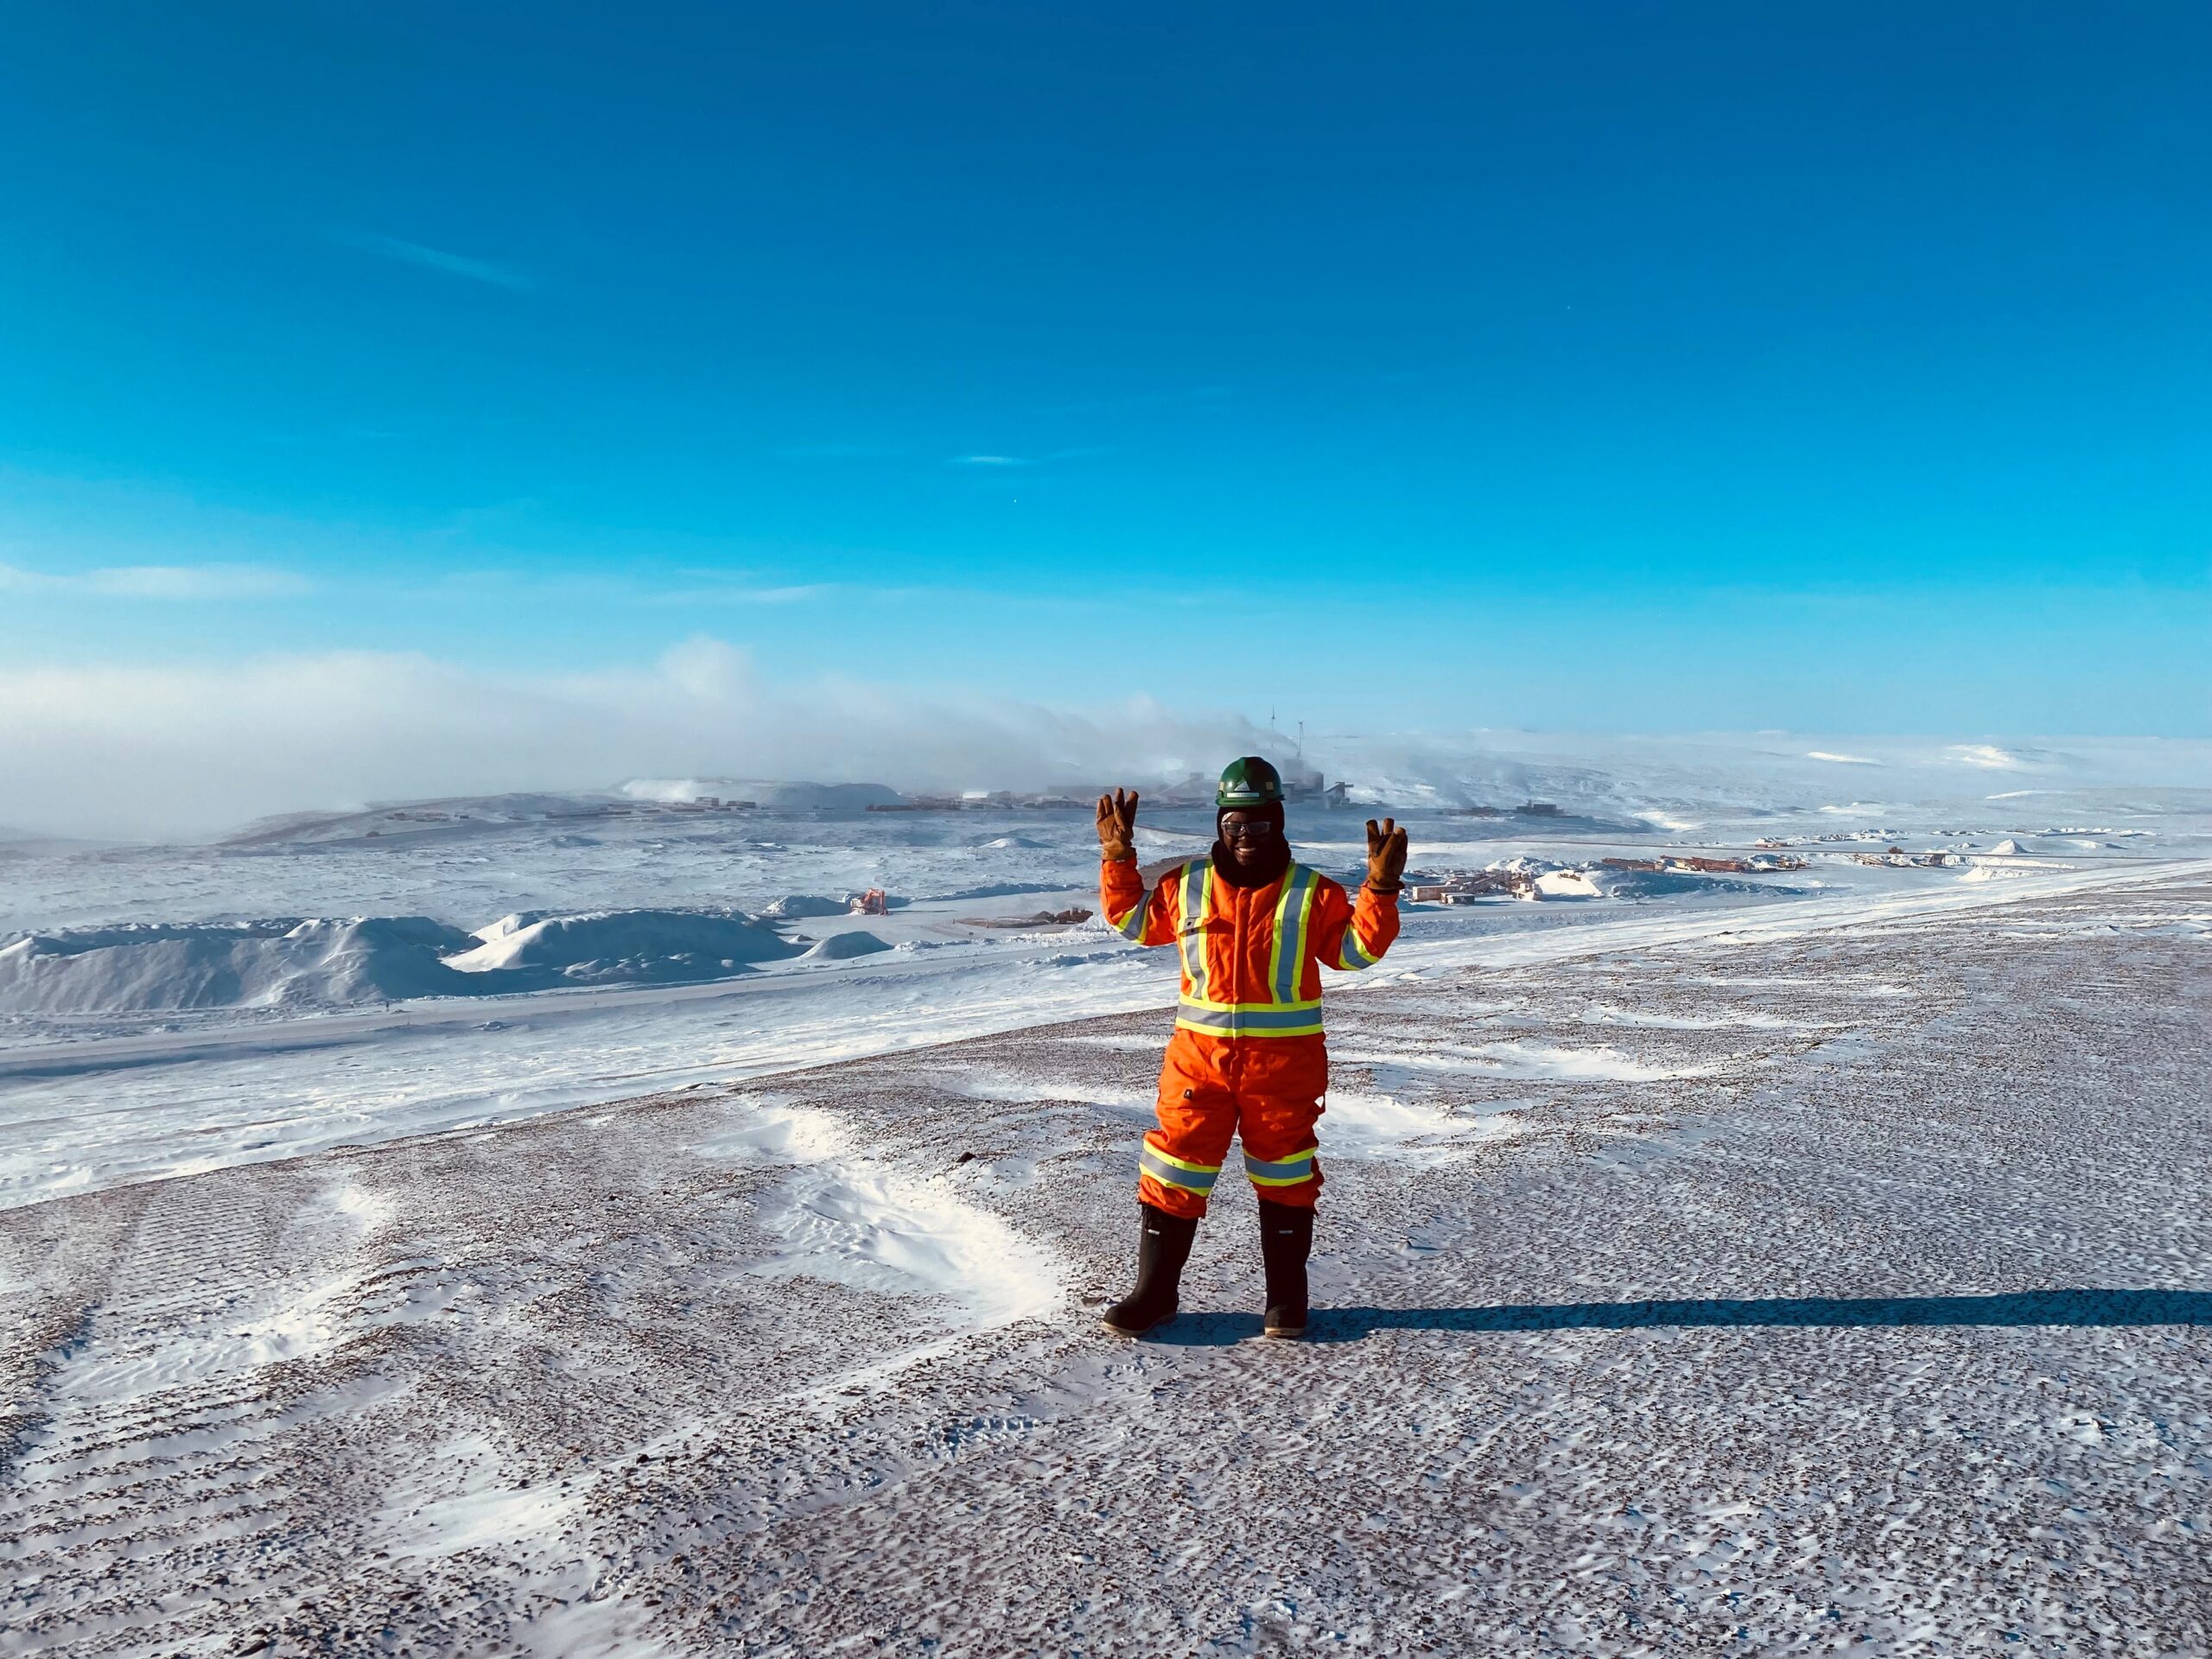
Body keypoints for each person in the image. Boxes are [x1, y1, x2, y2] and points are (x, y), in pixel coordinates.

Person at [1094, 757, 1408, 1338]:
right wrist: (1118, 859)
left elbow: (1356, 952)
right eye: (1235, 824)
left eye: (1259, 824)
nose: (1246, 836)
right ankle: (1154, 1294)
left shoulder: (1313, 893)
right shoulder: (1185, 886)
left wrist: (1381, 890)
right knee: (1174, 1168)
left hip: (1283, 1069)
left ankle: (1286, 1301)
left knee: (1285, 1175)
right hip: (1199, 1064)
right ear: (1220, 824)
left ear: (1278, 823)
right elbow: (1133, 922)